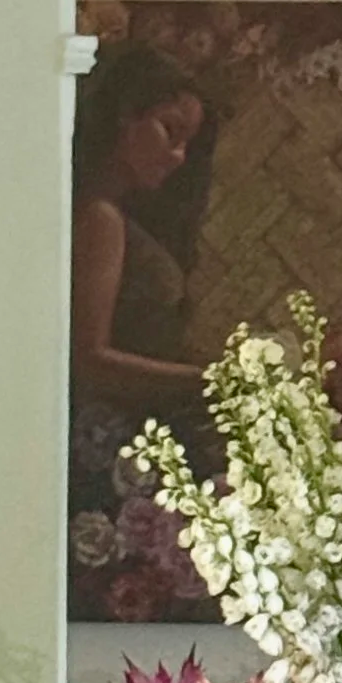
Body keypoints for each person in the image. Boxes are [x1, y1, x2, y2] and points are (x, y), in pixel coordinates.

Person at [70, 42, 214, 413]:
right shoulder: (99, 218)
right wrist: (211, 381)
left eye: (186, 144)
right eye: (170, 130)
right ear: (127, 113)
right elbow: (88, 358)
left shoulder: (110, 213)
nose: (179, 156)